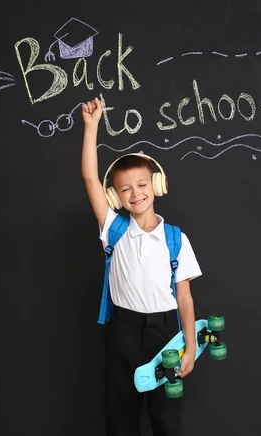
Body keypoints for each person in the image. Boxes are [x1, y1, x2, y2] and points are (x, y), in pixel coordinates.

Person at [81, 97, 202, 436]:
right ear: (116, 197)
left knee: (165, 416)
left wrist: (190, 347)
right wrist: (92, 127)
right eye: (125, 189)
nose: (135, 194)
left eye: (142, 185)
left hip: (166, 334)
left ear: (157, 186)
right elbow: (90, 178)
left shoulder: (176, 239)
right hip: (124, 331)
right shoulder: (114, 231)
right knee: (121, 417)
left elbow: (185, 298)